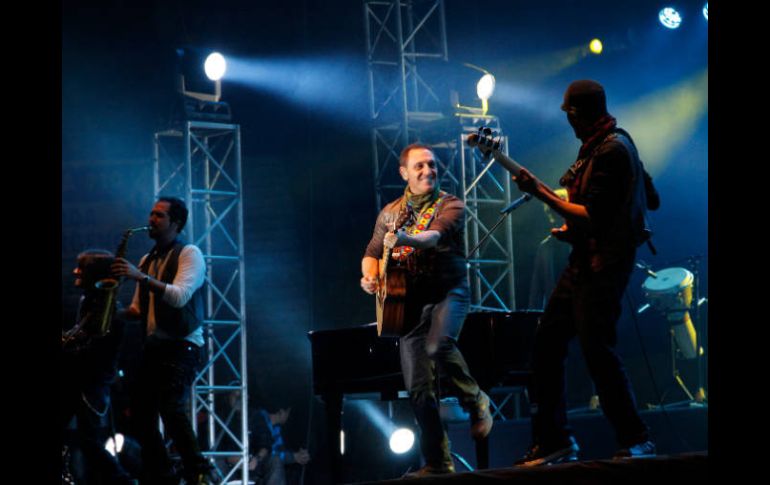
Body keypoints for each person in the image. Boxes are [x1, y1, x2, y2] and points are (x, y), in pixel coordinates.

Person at [507, 80, 660, 466]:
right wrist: (575, 229)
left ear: (577, 113)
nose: (569, 121)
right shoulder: (604, 144)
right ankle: (555, 439)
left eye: (569, 113)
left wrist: (539, 191)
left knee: (597, 350)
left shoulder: (610, 150)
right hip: (585, 260)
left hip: (603, 265)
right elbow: (650, 198)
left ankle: (637, 439)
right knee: (546, 345)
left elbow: (594, 216)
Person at [360, 143, 493, 477]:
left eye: (431, 165)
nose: (427, 171)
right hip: (409, 304)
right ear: (404, 173)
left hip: (449, 292)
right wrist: (370, 276)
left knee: (439, 345)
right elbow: (373, 251)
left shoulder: (451, 204)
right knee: (418, 389)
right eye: (419, 166)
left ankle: (476, 400)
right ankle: (437, 462)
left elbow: (432, 237)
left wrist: (406, 238)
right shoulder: (390, 211)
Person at [112, 197, 211, 485]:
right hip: (154, 347)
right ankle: (162, 474)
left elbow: (179, 296)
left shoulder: (189, 253)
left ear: (176, 223)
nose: (151, 220)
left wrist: (139, 276)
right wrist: (108, 313)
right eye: (151, 214)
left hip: (183, 346)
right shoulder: (148, 260)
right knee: (140, 415)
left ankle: (199, 470)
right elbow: (137, 311)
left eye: (159, 215)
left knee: (170, 407)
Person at [61, 249, 136, 485]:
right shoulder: (90, 300)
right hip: (81, 380)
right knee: (88, 441)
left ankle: (122, 480)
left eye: (81, 268)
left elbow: (94, 349)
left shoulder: (107, 309)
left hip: (90, 382)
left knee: (90, 441)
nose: (75, 271)